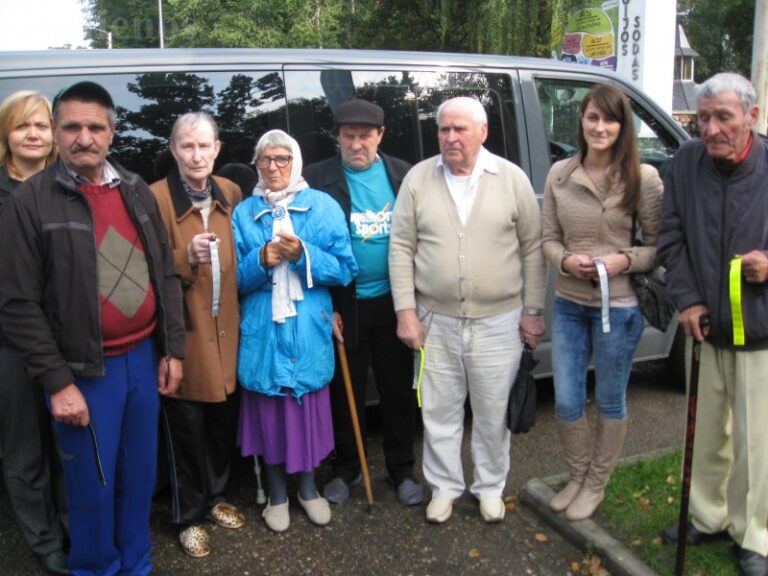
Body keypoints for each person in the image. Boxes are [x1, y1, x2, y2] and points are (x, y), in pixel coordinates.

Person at [0, 81, 185, 576]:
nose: (85, 137)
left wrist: (173, 350)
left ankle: (137, 564)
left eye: (95, 127)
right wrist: (58, 383)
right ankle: (96, 569)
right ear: (58, 132)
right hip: (83, 370)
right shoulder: (32, 200)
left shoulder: (136, 190)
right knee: (91, 488)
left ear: (112, 132)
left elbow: (165, 274)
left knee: (137, 477)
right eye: (73, 127)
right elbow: (17, 303)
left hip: (143, 360)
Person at [389, 96, 546, 524]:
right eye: (444, 129)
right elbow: (401, 246)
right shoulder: (419, 179)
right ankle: (444, 487)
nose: (451, 137)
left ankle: (490, 486)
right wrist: (406, 310)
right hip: (434, 319)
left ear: (483, 131)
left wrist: (533, 310)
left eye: (460, 129)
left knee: (493, 411)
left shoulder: (510, 179)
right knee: (439, 410)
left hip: (500, 321)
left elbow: (533, 249)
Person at [657, 72, 768, 576]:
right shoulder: (685, 162)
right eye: (703, 118)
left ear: (752, 116)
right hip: (704, 323)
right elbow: (671, 235)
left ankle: (755, 535)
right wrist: (686, 299)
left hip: (761, 327)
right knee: (705, 432)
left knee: (756, 441)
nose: (712, 128)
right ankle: (708, 515)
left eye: (724, 116)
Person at [541, 84, 663, 521]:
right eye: (592, 117)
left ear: (622, 126)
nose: (600, 127)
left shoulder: (642, 178)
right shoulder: (560, 174)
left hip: (621, 308)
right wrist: (567, 261)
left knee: (610, 400)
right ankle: (577, 475)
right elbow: (547, 241)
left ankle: (596, 484)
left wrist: (621, 260)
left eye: (609, 119)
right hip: (570, 304)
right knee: (567, 401)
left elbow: (657, 247)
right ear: (581, 121)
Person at [232, 129, 357, 533]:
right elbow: (231, 280)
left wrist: (304, 253)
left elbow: (344, 269)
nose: (272, 167)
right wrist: (262, 259)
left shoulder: (321, 206)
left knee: (307, 417)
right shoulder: (243, 212)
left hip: (308, 331)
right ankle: (277, 495)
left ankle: (307, 490)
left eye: (282, 158)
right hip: (263, 333)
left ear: (296, 162)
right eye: (264, 159)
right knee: (270, 418)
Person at [303, 98, 422, 506]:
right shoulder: (316, 180)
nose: (356, 144)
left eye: (364, 136)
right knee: (344, 390)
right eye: (348, 136)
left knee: (397, 390)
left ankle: (402, 468)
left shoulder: (404, 176)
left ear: (380, 136)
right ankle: (347, 467)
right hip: (342, 304)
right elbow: (304, 244)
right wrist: (323, 303)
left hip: (394, 300)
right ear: (338, 138)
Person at [150, 112, 244, 558]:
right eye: (187, 146)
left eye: (205, 146)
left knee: (223, 423)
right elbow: (140, 270)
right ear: (173, 150)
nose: (197, 154)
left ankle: (217, 496)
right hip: (185, 335)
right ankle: (187, 516)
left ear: (217, 150)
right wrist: (183, 256)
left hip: (230, 333)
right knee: (186, 431)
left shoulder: (231, 192)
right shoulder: (153, 200)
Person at [0, 91, 69, 575]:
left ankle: (71, 525)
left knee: (67, 442)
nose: (33, 134)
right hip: (9, 343)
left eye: (42, 126)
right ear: (7, 134)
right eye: (23, 125)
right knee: (24, 448)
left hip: (67, 338)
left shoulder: (69, 187)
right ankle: (44, 540)